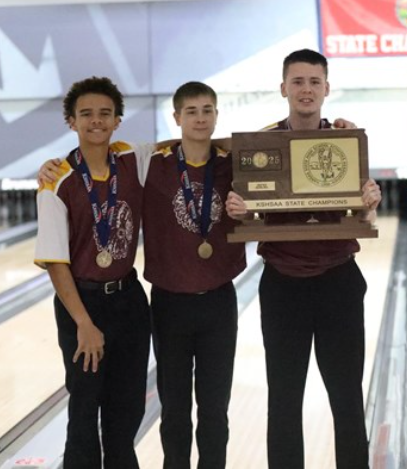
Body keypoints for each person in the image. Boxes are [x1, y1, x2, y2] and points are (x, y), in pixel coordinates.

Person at [225, 49, 381, 469]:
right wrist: (239, 207)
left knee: (347, 397)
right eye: (298, 82)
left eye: (314, 82)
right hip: (282, 287)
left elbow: (365, 212)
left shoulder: (347, 142)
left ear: (326, 89)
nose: (306, 90)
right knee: (284, 399)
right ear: (283, 89)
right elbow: (248, 208)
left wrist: (371, 203)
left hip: (339, 283)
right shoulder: (261, 143)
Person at [34, 76, 151, 468]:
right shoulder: (57, 181)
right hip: (81, 304)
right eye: (86, 114)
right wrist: (83, 323)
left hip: (130, 303)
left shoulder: (133, 158)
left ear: (118, 119)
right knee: (84, 410)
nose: (96, 121)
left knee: (127, 409)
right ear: (72, 121)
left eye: (105, 113)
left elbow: (194, 145)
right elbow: (55, 260)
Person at [143, 81, 246, 468]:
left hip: (219, 301)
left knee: (215, 409)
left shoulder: (231, 163)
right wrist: (54, 164)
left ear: (216, 116)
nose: (200, 118)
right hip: (169, 303)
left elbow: (279, 142)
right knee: (174, 409)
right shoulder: (153, 164)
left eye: (207, 110)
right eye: (192, 111)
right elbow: (99, 152)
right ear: (176, 118)